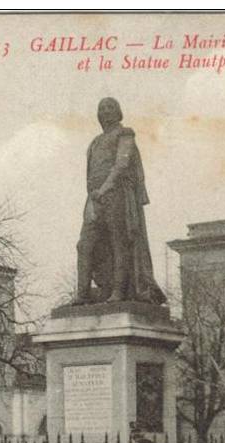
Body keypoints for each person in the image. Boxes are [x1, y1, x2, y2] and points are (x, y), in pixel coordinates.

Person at [73, 97, 166, 306]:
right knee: (84, 245)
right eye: (101, 108)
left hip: (116, 195)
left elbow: (121, 164)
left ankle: (119, 292)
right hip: (94, 198)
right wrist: (92, 197)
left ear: (118, 112)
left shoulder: (125, 134)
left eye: (110, 107)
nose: (105, 111)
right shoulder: (95, 142)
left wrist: (105, 188)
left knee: (119, 242)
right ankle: (83, 293)